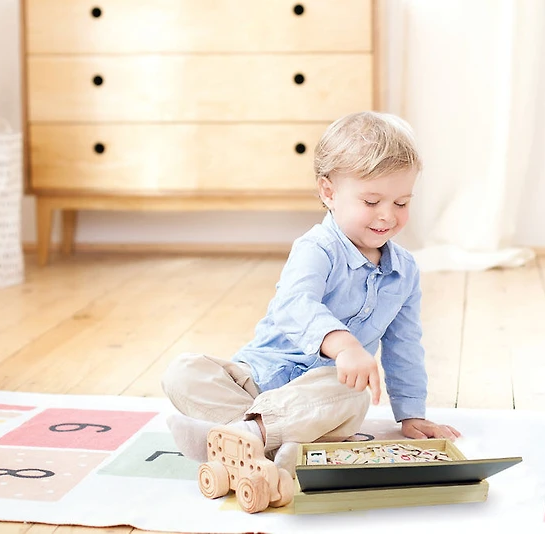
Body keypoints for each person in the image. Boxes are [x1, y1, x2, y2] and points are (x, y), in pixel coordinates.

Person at [161, 111, 460, 474]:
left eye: (401, 203)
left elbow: (405, 345)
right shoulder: (316, 248)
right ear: (328, 192)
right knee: (183, 371)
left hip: (322, 391)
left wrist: (411, 414)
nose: (387, 216)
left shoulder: (405, 271)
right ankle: (272, 440)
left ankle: (243, 439)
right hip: (258, 378)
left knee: (352, 396)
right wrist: (345, 345)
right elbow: (294, 305)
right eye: (371, 202)